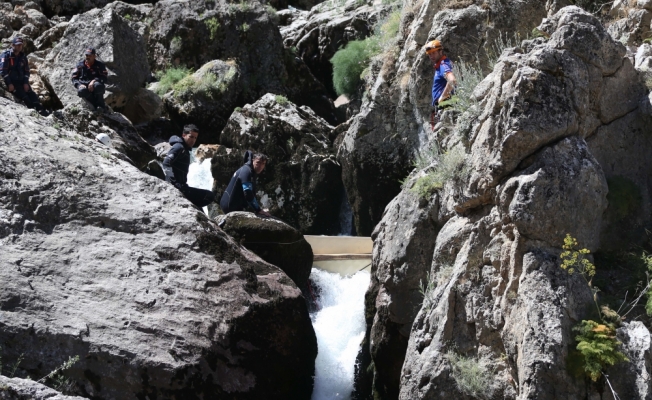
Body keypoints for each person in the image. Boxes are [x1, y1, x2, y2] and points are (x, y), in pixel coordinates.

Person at [162, 124, 215, 209]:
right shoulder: (179, 147)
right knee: (209, 196)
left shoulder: (185, 149)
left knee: (199, 204)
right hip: (176, 187)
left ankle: (205, 222)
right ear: (184, 135)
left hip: (183, 186)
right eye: (191, 137)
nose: (193, 140)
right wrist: (173, 183)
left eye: (195, 138)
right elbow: (166, 163)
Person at [0, 37, 48, 116]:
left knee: (32, 94)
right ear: (13, 45)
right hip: (12, 82)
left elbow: (26, 71)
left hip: (21, 81)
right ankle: (34, 113)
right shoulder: (6, 55)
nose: (19, 47)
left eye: (21, 45)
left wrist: (26, 83)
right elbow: (3, 70)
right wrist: (9, 83)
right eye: (17, 45)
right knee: (25, 97)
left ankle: (41, 111)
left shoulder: (23, 57)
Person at [220, 150, 271, 217]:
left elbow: (251, 193)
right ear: (253, 160)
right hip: (230, 207)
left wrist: (258, 209)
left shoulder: (250, 171)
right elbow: (247, 192)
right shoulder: (246, 171)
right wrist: (258, 210)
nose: (260, 166)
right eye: (258, 162)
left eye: (263, 163)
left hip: (232, 204)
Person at [71, 47, 108, 112]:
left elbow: (104, 77)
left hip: (95, 86)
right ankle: (94, 105)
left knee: (98, 86)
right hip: (84, 86)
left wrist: (94, 81)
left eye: (90, 55)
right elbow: (74, 78)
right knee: (81, 90)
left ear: (94, 56)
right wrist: (79, 85)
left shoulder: (100, 65)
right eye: (86, 55)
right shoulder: (80, 65)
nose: (87, 57)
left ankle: (101, 106)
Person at [425, 39, 457, 107]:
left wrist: (442, 98)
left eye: (434, 53)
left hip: (445, 104)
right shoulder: (442, 64)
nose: (431, 56)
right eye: (430, 54)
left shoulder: (443, 65)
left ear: (440, 51)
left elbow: (452, 80)